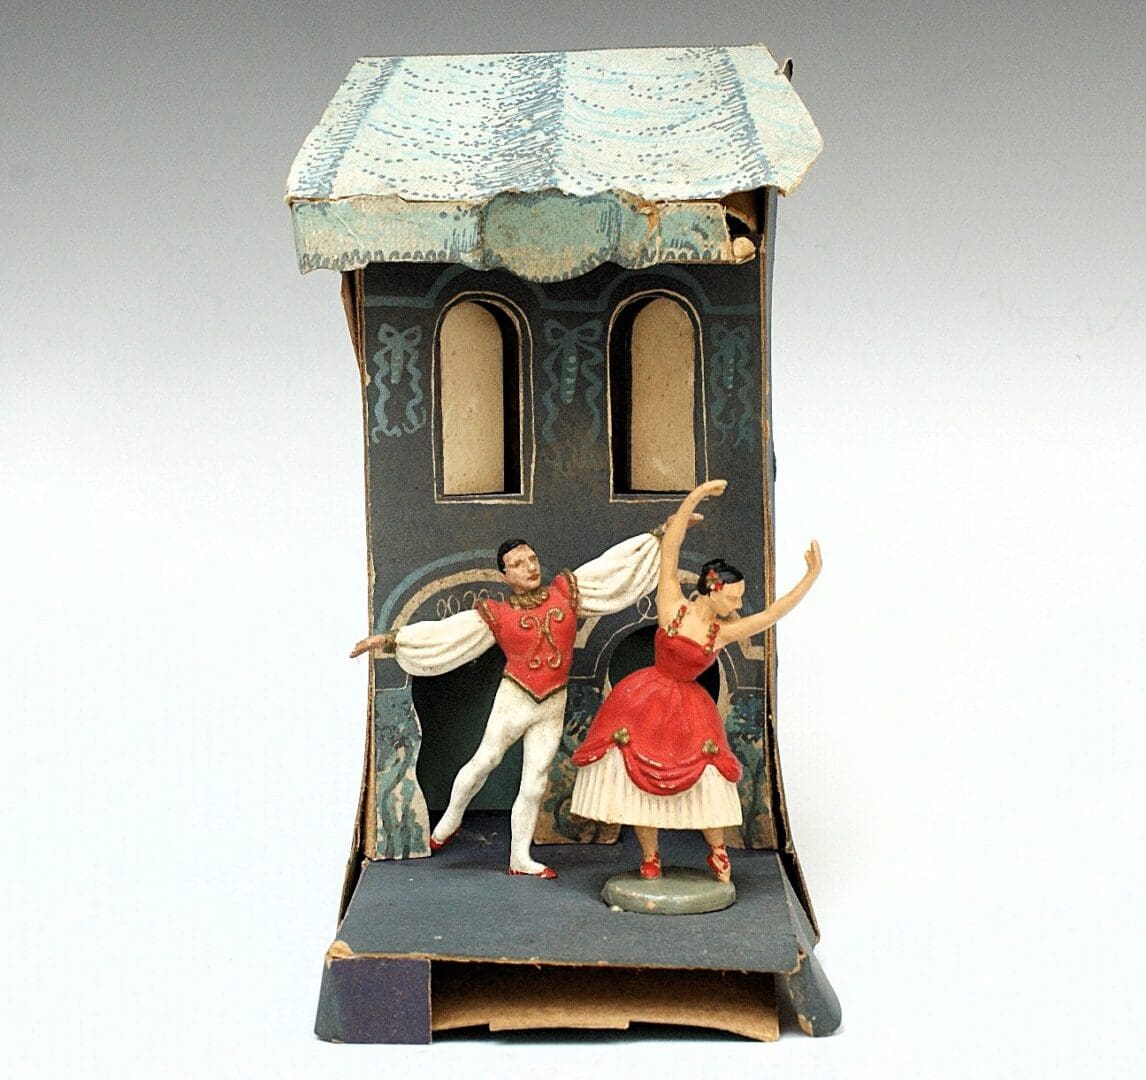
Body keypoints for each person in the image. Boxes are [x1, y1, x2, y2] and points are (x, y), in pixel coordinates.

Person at [351, 525, 690, 878]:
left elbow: (611, 569)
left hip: (552, 704)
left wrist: (657, 537)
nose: (529, 567)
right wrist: (389, 641)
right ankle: (449, 821)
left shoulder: (567, 592)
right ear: (505, 575)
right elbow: (447, 633)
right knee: (485, 760)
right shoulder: (497, 614)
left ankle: (519, 858)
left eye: (532, 559)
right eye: (518, 563)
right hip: (515, 698)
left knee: (535, 782)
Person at [570, 479, 822, 884]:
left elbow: (771, 615)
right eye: (733, 597)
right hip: (644, 698)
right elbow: (669, 550)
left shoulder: (721, 632)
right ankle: (650, 855)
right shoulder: (673, 604)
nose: (738, 604)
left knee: (708, 776)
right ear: (713, 589)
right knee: (637, 784)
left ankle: (717, 850)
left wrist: (810, 577)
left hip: (689, 708)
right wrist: (694, 497)